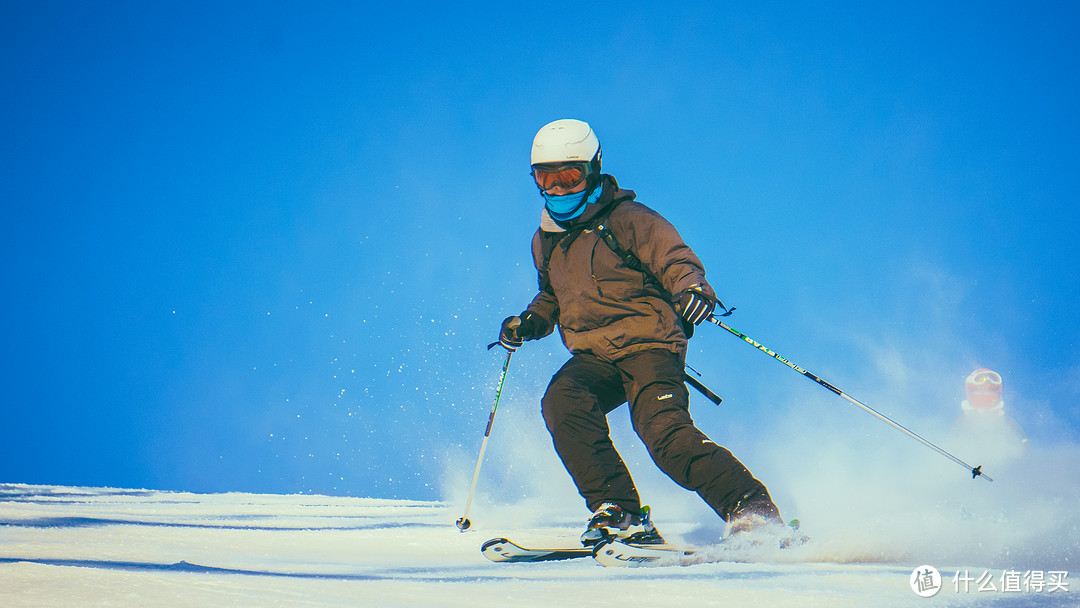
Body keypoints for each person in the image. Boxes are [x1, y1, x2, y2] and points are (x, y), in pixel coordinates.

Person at [497, 118, 781, 545]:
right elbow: (552, 296)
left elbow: (675, 259)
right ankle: (620, 512)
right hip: (595, 356)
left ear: (591, 170)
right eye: (546, 178)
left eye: (568, 177)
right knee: (563, 402)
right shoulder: (547, 240)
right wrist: (528, 322)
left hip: (649, 347)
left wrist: (692, 289)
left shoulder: (628, 219)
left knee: (665, 437)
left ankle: (753, 513)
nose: (558, 189)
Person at [950, 368, 1028, 464]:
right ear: (970, 394)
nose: (985, 397)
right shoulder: (962, 423)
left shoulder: (1010, 425)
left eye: (990, 393)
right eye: (980, 392)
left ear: (998, 395)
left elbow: (1025, 458)